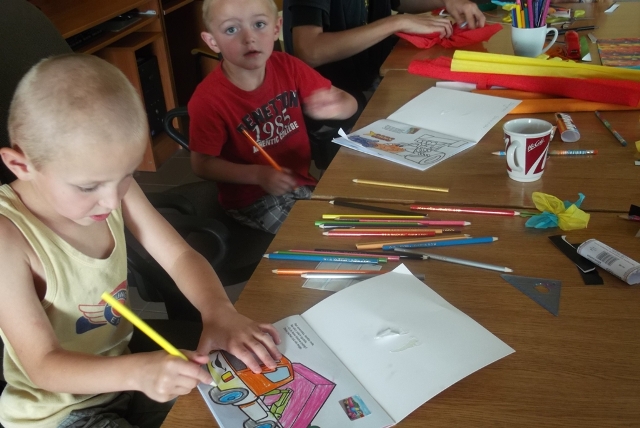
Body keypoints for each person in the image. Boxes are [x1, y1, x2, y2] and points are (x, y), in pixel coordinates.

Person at [0, 54, 282, 428]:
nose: (111, 201)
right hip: (58, 413)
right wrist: (138, 373)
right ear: (21, 166)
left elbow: (178, 255)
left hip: (123, 377)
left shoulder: (112, 186)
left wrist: (218, 311)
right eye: (88, 187)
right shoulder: (8, 236)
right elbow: (42, 366)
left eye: (127, 176)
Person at [189, 0, 357, 234]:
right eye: (231, 29)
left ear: (276, 28)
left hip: (299, 182)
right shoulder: (208, 99)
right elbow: (202, 165)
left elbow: (350, 103)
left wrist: (337, 107)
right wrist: (258, 174)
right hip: (253, 199)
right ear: (212, 41)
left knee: (354, 216)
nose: (249, 38)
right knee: (321, 234)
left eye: (259, 24)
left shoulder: (288, 66)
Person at [287, 0, 487, 166]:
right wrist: (398, 22)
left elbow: (397, 2)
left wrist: (446, 1)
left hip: (375, 85)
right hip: (337, 106)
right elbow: (309, 51)